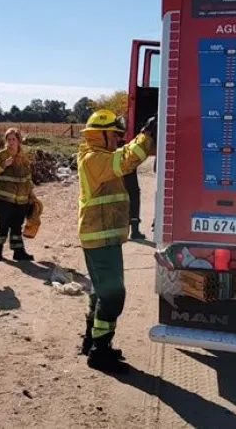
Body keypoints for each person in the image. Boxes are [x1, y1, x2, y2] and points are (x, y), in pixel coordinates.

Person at [77, 109, 156, 374]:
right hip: (100, 237)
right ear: (102, 135)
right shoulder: (94, 159)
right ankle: (99, 352)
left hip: (102, 235)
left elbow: (121, 157)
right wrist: (147, 135)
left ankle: (92, 341)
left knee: (101, 291)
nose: (118, 140)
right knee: (112, 295)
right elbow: (126, 159)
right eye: (114, 134)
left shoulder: (97, 156)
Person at [0, 128, 36, 262]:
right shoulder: (0, 155)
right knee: (2, 226)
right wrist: (4, 164)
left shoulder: (23, 157)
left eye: (14, 139)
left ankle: (18, 253)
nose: (11, 142)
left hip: (21, 200)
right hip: (4, 199)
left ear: (19, 140)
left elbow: (28, 177)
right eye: (8, 139)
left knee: (16, 227)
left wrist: (30, 194)